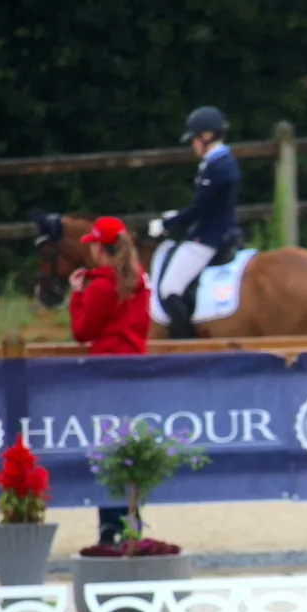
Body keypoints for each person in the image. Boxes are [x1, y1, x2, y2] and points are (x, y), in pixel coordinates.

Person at [67, 215, 150, 544]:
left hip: (105, 373)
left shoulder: (101, 286)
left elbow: (82, 331)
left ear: (101, 249)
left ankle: (109, 522)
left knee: (106, 449)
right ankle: (131, 516)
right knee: (130, 447)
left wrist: (77, 296)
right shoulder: (140, 281)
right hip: (134, 370)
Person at [149, 106, 241, 339]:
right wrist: (176, 216)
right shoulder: (219, 161)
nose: (192, 145)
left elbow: (201, 209)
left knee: (169, 289)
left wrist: (167, 225)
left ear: (207, 136)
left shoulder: (219, 166)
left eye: (194, 139)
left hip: (208, 237)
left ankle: (186, 343)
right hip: (217, 229)